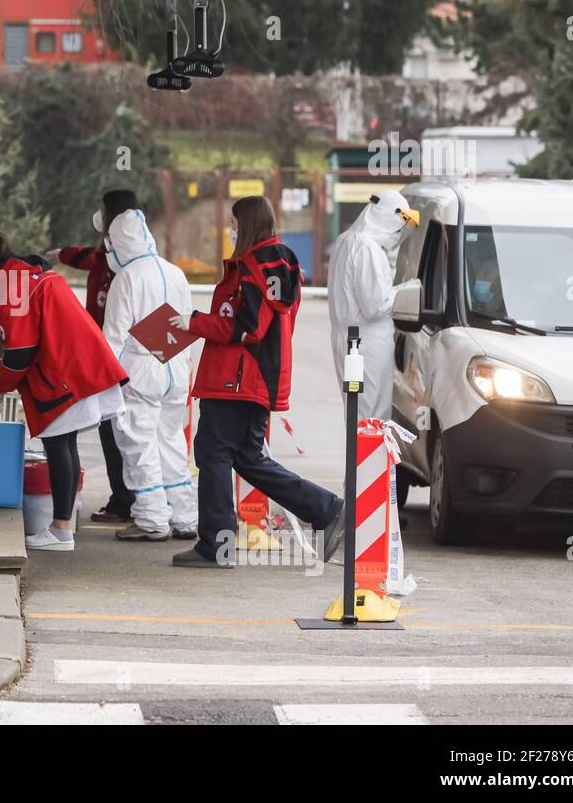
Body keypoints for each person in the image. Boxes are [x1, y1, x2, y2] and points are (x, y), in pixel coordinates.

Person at [169, 196, 345, 568]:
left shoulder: (255, 265)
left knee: (213, 452)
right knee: (247, 458)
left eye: (233, 222)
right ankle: (326, 510)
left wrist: (195, 322)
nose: (229, 229)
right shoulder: (277, 262)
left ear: (245, 224)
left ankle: (216, 546)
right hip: (252, 379)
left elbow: (247, 327)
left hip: (238, 380)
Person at [0, 231, 129, 552]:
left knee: (58, 447)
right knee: (65, 446)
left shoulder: (10, 285)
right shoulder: (30, 274)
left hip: (62, 371)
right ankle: (62, 527)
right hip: (78, 364)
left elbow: (20, 351)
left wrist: (2, 382)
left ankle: (60, 530)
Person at [101, 209, 198, 542]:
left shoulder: (126, 279)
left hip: (140, 372)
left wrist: (103, 382)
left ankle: (152, 517)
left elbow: (112, 337)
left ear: (118, 243)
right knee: (170, 442)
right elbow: (187, 324)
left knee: (138, 444)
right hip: (176, 369)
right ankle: (185, 515)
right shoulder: (175, 273)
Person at [46, 188, 138, 523]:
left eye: (102, 209)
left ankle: (129, 501)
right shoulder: (109, 254)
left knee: (119, 431)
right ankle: (126, 499)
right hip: (108, 356)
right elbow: (90, 258)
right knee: (110, 429)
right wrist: (61, 254)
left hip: (122, 359)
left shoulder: (128, 262)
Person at [327, 190, 420, 420]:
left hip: (348, 338)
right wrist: (406, 290)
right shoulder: (367, 248)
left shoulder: (345, 240)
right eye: (400, 227)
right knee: (372, 417)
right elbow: (375, 306)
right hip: (367, 343)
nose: (399, 234)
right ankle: (368, 458)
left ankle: (357, 457)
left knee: (356, 414)